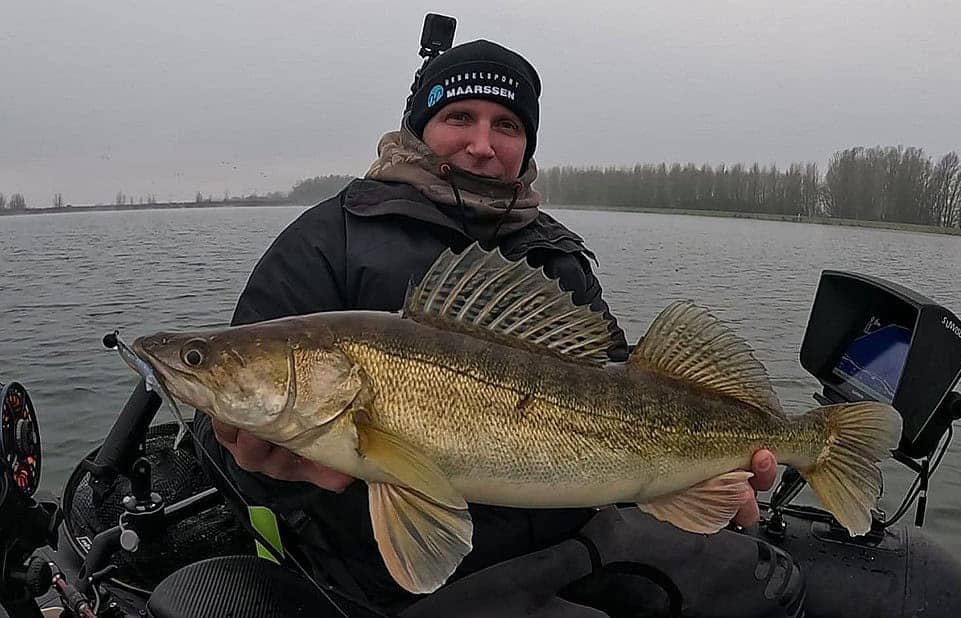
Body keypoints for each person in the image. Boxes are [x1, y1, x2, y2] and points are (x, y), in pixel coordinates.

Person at [193, 36, 780, 615]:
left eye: (507, 125)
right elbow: (224, 442)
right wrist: (268, 472)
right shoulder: (326, 241)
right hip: (382, 580)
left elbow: (619, 380)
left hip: (572, 549)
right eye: (460, 116)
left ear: (526, 145)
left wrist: (711, 480)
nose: (481, 144)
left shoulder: (555, 254)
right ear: (419, 127)